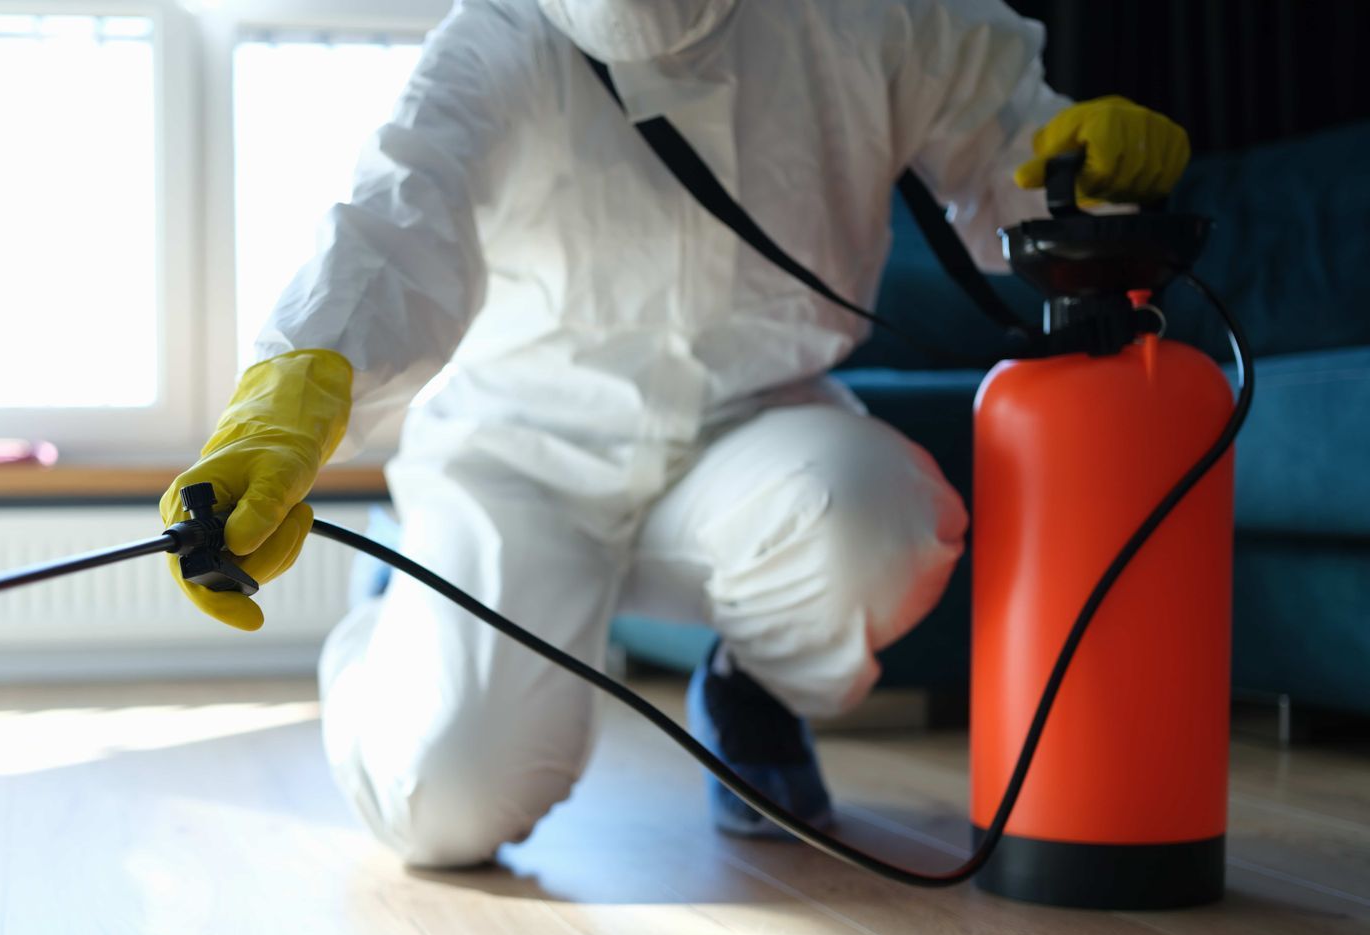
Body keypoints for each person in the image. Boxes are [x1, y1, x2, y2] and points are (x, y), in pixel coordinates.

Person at [160, 0, 1190, 868]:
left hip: (750, 430)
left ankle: (753, 693)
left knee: (886, 524)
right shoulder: (502, 34)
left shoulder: (868, 13)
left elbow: (1009, 155)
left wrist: (1085, 162)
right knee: (445, 800)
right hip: (522, 455)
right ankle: (396, 615)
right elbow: (394, 221)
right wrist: (284, 400)